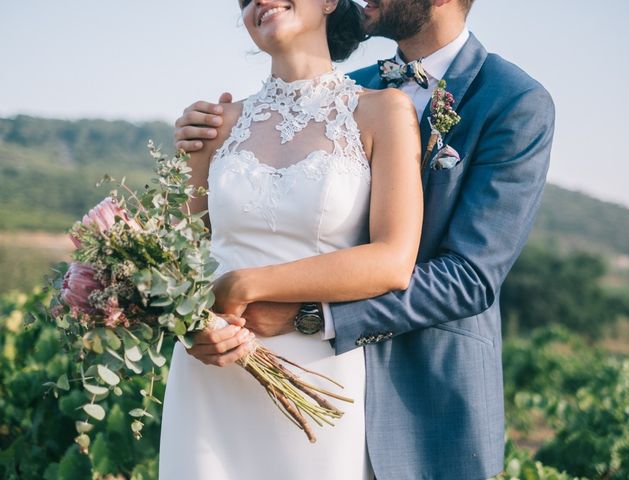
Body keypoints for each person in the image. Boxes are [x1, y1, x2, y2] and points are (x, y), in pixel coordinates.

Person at [173, 0, 556, 478]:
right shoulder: (352, 88)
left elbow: (469, 277)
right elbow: (193, 251)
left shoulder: (512, 100)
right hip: (239, 372)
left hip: (418, 390)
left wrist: (308, 317)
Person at [159, 0, 423, 479]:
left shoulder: (384, 112)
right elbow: (177, 264)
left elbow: (392, 261)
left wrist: (246, 284)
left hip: (320, 370)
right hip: (209, 377)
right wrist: (189, 329)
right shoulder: (215, 125)